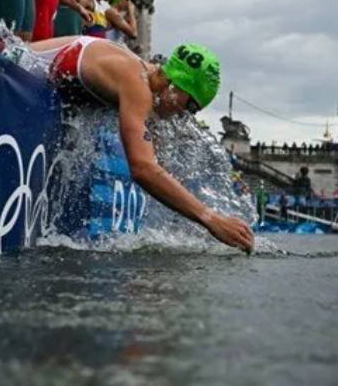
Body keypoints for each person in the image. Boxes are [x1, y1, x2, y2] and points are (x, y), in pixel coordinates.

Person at [26, 36, 253, 252]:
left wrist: (195, 229)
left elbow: (162, 170)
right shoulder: (137, 84)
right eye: (191, 106)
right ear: (176, 84)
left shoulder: (150, 87)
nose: (184, 114)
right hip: (13, 65)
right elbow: (143, 169)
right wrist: (210, 219)